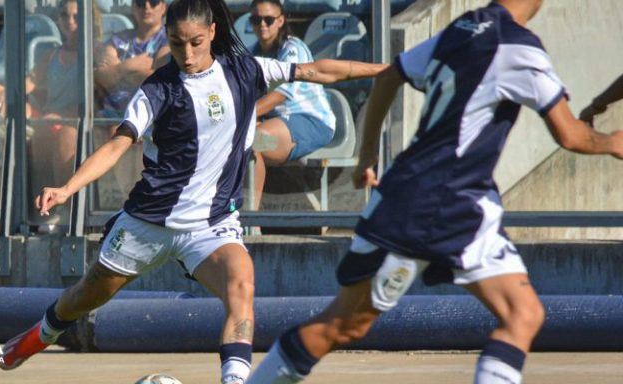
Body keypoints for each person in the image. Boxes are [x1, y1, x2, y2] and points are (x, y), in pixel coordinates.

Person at [0, 0, 386, 383]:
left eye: (196, 42)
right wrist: (67, 189)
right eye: (177, 43)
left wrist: (388, 70)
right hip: (148, 223)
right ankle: (38, 336)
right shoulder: (158, 90)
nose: (187, 53)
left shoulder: (246, 70)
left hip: (211, 226)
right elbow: (118, 144)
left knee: (242, 286)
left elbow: (318, 70)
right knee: (86, 295)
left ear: (213, 32)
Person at [246, 1, 623, 383]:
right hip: (431, 201)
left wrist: (367, 157)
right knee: (345, 324)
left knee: (523, 314)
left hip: (464, 201)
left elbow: (390, 76)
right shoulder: (519, 47)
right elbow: (572, 135)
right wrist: (613, 142)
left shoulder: (464, 27)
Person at [0, 0, 102, 230]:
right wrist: (1, 94)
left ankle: (59, 211)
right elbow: (30, 82)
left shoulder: (96, 54)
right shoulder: (52, 55)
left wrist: (60, 117)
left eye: (77, 17)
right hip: (48, 119)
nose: (70, 22)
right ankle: (13, 212)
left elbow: (95, 101)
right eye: (65, 16)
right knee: (1, 114)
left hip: (75, 122)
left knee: (62, 134)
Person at [246, 0, 336, 211]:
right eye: (255, 19)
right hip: (276, 123)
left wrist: (245, 118)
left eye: (268, 19)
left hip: (312, 122)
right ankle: (243, 220)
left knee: (253, 141)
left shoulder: (292, 48)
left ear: (280, 20)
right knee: (241, 143)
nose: (262, 25)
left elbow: (281, 95)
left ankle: (250, 220)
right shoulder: (251, 53)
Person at [96, 0, 170, 118]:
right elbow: (100, 78)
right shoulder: (117, 38)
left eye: (153, 2)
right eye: (140, 2)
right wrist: (130, 66)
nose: (146, 7)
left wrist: (116, 72)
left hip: (147, 115)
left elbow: (158, 80)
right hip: (109, 113)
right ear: (133, 8)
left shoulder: (170, 40)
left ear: (163, 7)